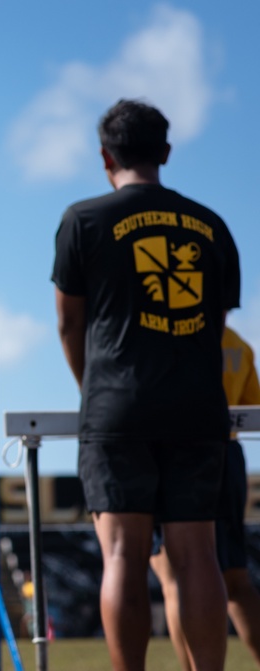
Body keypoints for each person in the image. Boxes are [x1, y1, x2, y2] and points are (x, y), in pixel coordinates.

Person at [52, 98, 239, 671]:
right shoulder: (211, 225)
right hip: (199, 406)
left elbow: (68, 321)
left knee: (122, 556)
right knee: (198, 555)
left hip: (117, 406)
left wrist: (95, 390)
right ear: (165, 152)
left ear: (105, 156)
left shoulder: (82, 219)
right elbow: (216, 323)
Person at [150, 325, 260, 670]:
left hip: (169, 449)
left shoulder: (161, 333)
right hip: (224, 453)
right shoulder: (237, 346)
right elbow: (251, 409)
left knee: (174, 580)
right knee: (235, 580)